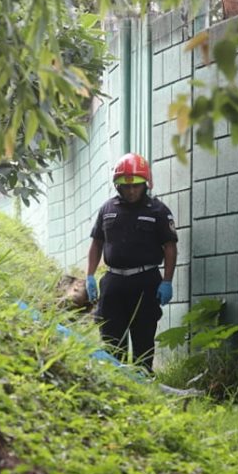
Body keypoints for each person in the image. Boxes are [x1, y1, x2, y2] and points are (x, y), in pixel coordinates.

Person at [86, 152, 178, 371]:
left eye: (136, 185)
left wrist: (167, 281)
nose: (131, 190)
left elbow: (170, 247)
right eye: (125, 186)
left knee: (143, 342)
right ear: (118, 185)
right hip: (113, 283)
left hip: (145, 283)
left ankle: (144, 385)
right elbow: (97, 243)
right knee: (110, 343)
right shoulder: (107, 210)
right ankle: (114, 388)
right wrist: (89, 276)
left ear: (145, 184)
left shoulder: (158, 211)